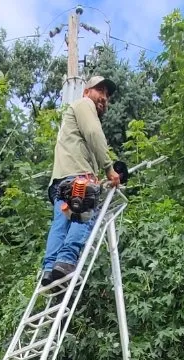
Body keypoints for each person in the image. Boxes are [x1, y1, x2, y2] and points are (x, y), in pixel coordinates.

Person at [41, 74, 122, 286]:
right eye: (99, 91)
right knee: (84, 214)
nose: (104, 97)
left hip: (61, 181)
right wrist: (109, 169)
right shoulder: (85, 104)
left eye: (107, 95)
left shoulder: (72, 115)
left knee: (62, 222)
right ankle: (66, 260)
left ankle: (50, 269)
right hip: (78, 177)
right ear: (87, 92)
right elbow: (94, 133)